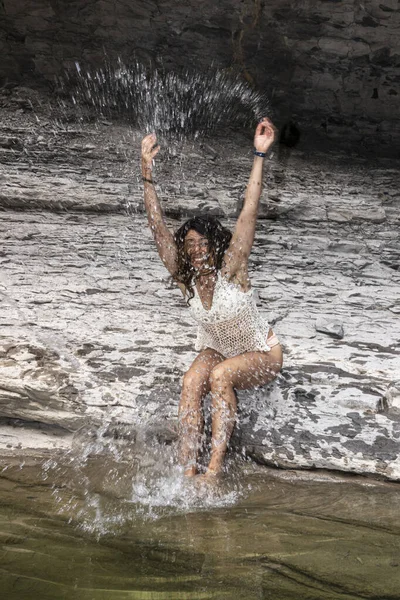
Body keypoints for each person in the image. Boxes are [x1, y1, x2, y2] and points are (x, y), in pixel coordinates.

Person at [141, 118, 283, 479]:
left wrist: (259, 154)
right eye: (191, 245)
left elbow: (248, 211)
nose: (199, 250)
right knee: (191, 381)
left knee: (220, 376)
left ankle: (214, 470)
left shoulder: (232, 267)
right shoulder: (185, 278)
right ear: (184, 251)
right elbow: (158, 229)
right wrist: (146, 173)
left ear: (214, 245)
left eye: (204, 243)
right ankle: (188, 469)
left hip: (262, 353)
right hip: (218, 347)